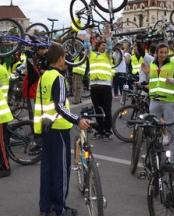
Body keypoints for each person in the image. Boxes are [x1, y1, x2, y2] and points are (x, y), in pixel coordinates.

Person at [34, 43, 90, 216]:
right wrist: (77, 119)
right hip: (58, 129)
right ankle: (60, 208)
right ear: (59, 59)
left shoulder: (44, 77)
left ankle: (45, 206)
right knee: (61, 171)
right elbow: (59, 106)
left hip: (45, 128)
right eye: (64, 57)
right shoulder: (58, 78)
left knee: (47, 170)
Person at [147, 43, 174, 163]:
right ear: (156, 53)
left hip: (168, 100)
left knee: (171, 128)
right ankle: (156, 150)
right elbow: (153, 80)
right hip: (154, 99)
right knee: (155, 126)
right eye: (161, 52)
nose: (163, 55)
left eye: (165, 52)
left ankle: (172, 156)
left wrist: (171, 80)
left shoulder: (173, 63)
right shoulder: (152, 64)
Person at [88, 32, 114, 140]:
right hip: (94, 86)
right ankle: (100, 130)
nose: (104, 46)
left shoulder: (107, 55)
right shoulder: (92, 55)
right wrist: (87, 32)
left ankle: (108, 130)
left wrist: (108, 38)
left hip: (105, 86)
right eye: (102, 45)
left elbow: (110, 47)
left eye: (105, 45)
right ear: (97, 47)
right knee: (97, 110)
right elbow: (85, 46)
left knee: (107, 110)